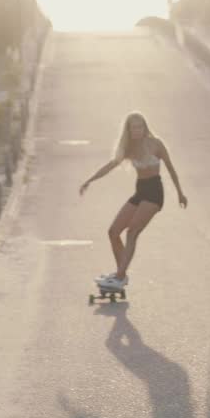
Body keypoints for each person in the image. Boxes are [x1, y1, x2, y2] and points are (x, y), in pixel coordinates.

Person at [79, 112, 187, 291]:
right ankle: (120, 274)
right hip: (140, 191)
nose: (137, 130)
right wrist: (89, 180)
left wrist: (180, 194)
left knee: (132, 232)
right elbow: (110, 165)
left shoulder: (156, 144)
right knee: (113, 232)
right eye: (133, 127)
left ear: (145, 127)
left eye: (140, 126)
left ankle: (120, 276)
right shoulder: (128, 148)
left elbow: (171, 168)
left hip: (154, 193)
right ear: (128, 130)